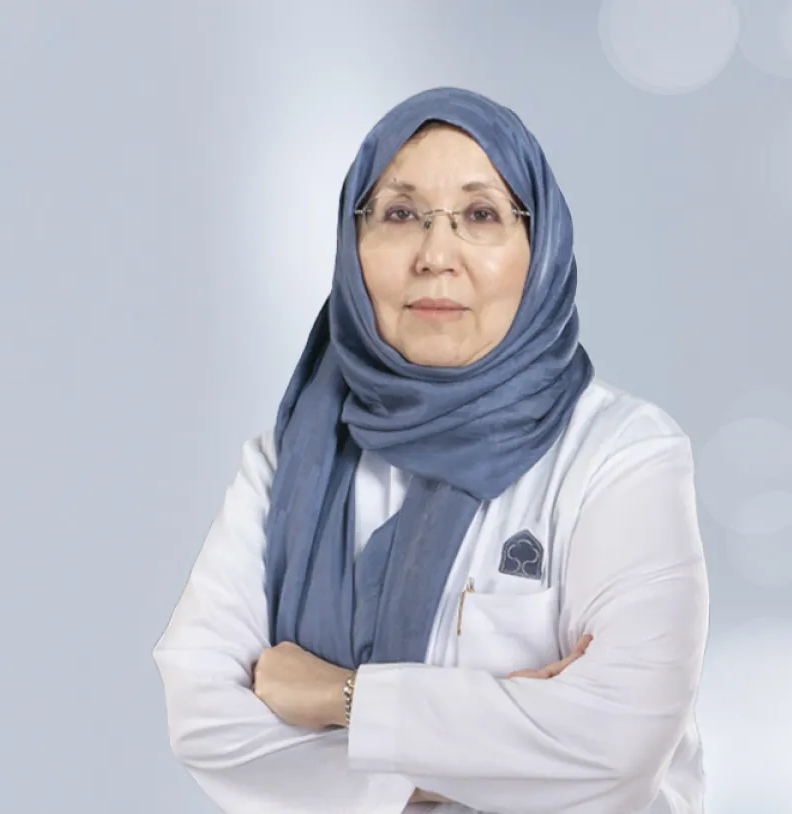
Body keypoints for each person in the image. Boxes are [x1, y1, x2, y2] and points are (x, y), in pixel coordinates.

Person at [152, 86, 710, 813]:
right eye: (399, 214)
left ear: (540, 249)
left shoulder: (622, 457)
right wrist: (494, 748)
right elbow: (204, 722)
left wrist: (339, 698)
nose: (436, 255)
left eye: (480, 215)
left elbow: (618, 745)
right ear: (353, 246)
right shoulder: (285, 466)